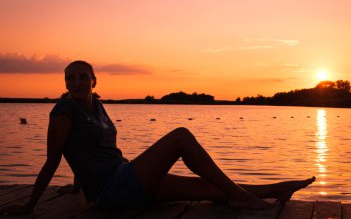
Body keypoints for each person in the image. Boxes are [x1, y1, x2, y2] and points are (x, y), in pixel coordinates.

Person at [0, 60, 315, 215]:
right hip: (112, 192)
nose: (77, 82)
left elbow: (87, 149)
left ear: (94, 80)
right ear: (66, 83)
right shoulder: (63, 111)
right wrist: (30, 205)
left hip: (125, 177)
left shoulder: (96, 105)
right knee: (180, 136)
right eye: (71, 78)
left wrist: (77, 184)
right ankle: (244, 196)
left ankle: (276, 189)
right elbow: (55, 157)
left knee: (204, 187)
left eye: (83, 77)